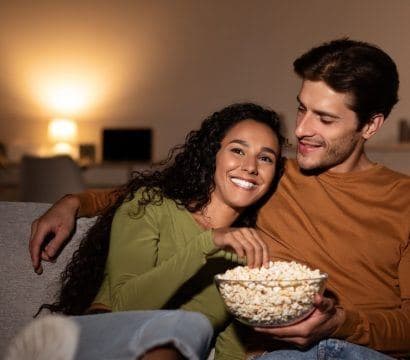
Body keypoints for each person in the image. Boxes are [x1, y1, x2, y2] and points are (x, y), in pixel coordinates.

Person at [29, 38, 410, 359]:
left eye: (324, 119)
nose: (301, 130)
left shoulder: (403, 200)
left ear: (370, 125)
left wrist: (343, 323)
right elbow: (169, 191)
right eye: (301, 108)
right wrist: (76, 201)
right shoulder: (273, 175)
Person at [26, 102, 284, 360]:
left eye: (265, 158)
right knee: (185, 326)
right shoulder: (150, 204)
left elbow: (232, 346)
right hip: (105, 342)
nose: (251, 166)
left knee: (191, 329)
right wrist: (208, 243)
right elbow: (125, 307)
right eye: (238, 150)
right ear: (212, 154)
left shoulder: (248, 255)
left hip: (178, 352)